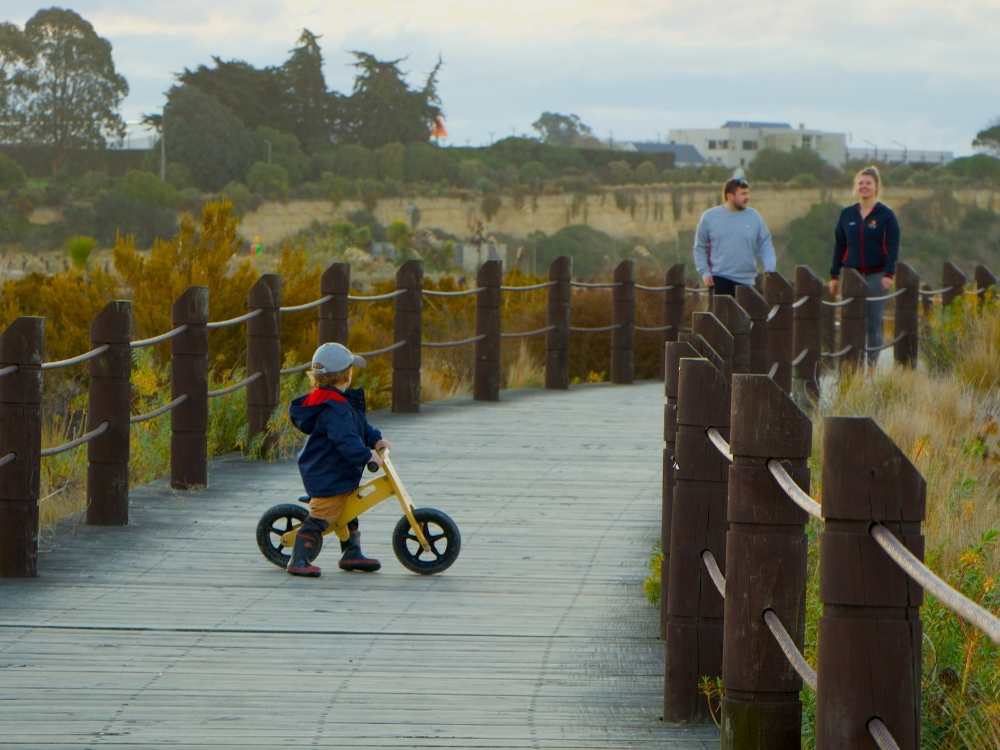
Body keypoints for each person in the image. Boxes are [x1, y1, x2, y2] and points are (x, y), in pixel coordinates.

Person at [286, 342, 390, 577]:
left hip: (336, 471)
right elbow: (346, 440)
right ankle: (299, 558)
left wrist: (376, 440)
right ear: (344, 376)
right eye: (351, 370)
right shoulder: (333, 409)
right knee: (324, 516)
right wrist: (366, 456)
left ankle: (351, 552)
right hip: (326, 474)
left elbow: (360, 428)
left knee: (350, 509)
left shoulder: (340, 403)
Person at [828, 166, 900, 366]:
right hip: (851, 276)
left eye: (868, 183)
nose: (864, 186)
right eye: (860, 183)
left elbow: (893, 247)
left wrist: (889, 273)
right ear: (855, 187)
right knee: (851, 322)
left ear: (876, 186)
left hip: (877, 276)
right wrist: (834, 276)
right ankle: (851, 365)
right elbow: (840, 246)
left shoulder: (886, 215)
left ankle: (871, 367)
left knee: (873, 323)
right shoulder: (847, 214)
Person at [693, 177, 777, 297]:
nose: (747, 197)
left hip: (748, 282)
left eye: (747, 193)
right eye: (743, 194)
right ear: (730, 196)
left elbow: (765, 244)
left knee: (748, 316)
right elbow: (700, 247)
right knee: (722, 316)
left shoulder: (754, 217)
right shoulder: (709, 217)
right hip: (719, 280)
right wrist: (704, 272)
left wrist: (770, 268)